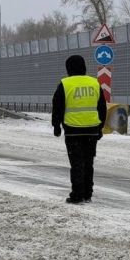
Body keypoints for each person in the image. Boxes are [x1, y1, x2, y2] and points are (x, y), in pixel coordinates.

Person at [51, 54, 107, 204]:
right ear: (84, 67)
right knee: (88, 163)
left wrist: (56, 126)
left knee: (76, 163)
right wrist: (100, 127)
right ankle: (87, 194)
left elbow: (57, 106)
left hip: (73, 130)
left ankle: (77, 195)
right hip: (92, 130)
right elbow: (102, 107)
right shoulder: (94, 83)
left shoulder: (65, 84)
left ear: (68, 68)